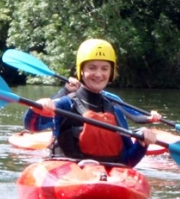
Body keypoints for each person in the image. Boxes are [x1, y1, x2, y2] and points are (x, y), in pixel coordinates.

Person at [23, 38, 162, 167]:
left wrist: (141, 144)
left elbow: (127, 161)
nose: (98, 74)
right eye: (92, 67)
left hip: (108, 180)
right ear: (81, 71)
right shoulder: (66, 104)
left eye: (104, 68)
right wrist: (35, 110)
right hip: (69, 177)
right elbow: (32, 127)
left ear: (111, 72)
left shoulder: (116, 110)